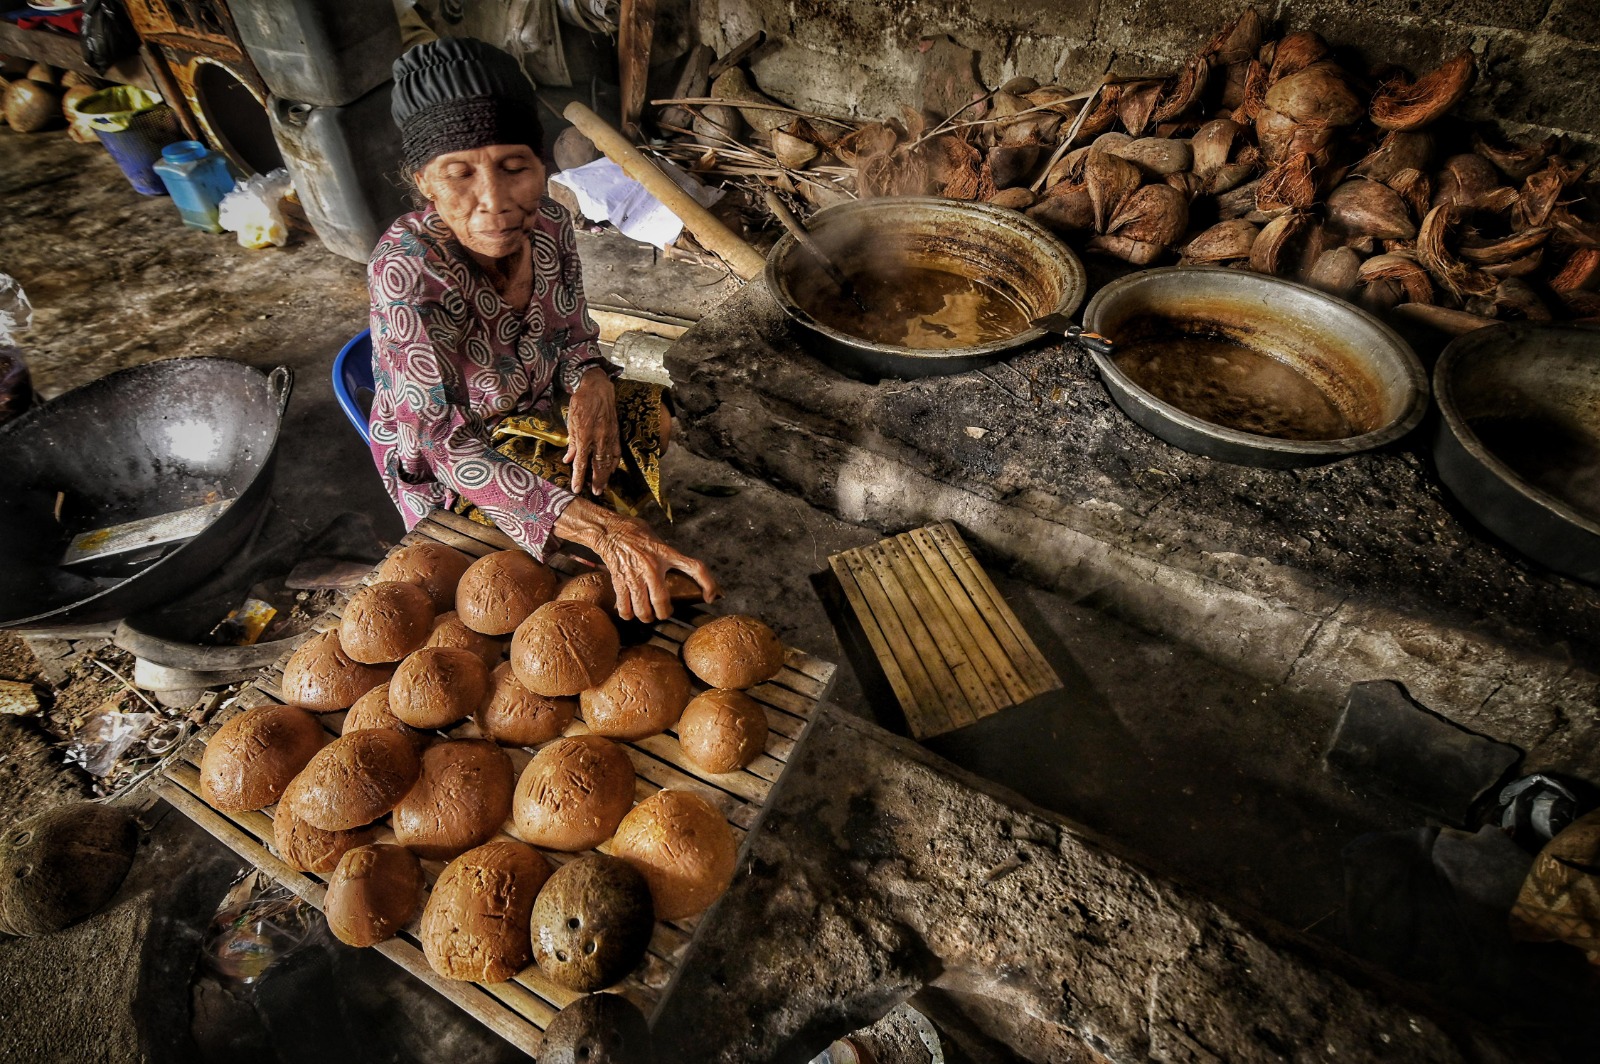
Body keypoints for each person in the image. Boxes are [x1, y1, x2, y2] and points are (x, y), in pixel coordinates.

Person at [367, 37, 718, 622]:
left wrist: (591, 384)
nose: (495, 202)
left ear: (541, 166)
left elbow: (575, 336)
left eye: (514, 168)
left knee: (652, 417)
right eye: (459, 175)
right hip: (455, 456)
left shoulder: (550, 223)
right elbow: (439, 440)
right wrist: (602, 532)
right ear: (423, 183)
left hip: (541, 406)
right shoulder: (407, 270)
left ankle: (609, 523)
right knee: (523, 589)